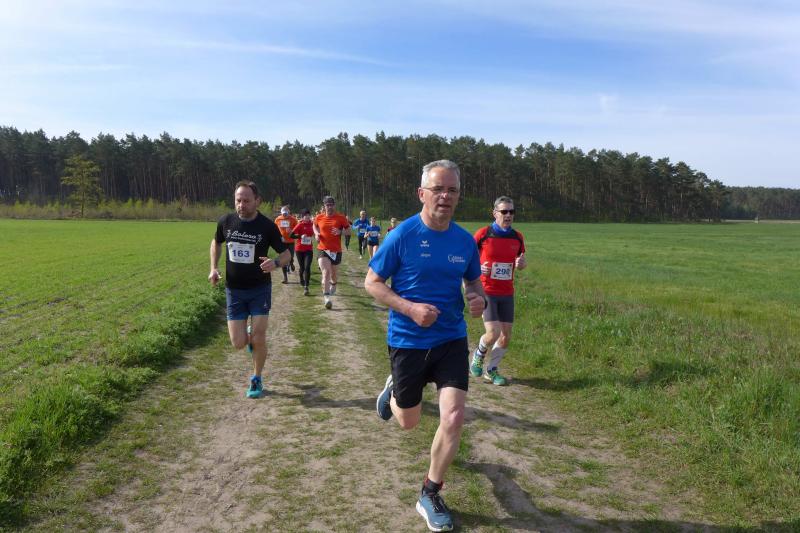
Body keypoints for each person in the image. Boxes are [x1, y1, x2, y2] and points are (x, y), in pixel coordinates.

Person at [365, 160, 486, 532]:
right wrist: (410, 308)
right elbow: (372, 282)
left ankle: (429, 492)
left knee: (454, 417)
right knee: (409, 422)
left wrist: (478, 298)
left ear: (458, 196)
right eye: (438, 189)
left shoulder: (464, 241)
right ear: (422, 194)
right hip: (409, 341)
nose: (445, 196)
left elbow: (473, 282)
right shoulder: (402, 235)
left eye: (452, 190)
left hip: (451, 338)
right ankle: (394, 392)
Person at [209, 181, 290, 399]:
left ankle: (256, 378)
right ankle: (248, 336)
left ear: (257, 201)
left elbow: (286, 254)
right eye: (238, 200)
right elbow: (216, 242)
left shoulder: (267, 226)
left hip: (259, 289)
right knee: (238, 343)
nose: (241, 205)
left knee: (259, 337)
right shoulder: (226, 222)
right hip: (234, 290)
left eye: (246, 201)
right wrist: (213, 268)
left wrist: (275, 263)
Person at [470, 196, 527, 386]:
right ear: (495, 213)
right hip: (486, 291)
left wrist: (521, 264)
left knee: (505, 336)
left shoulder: (517, 237)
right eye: (504, 211)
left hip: (507, 293)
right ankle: (478, 355)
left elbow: (520, 262)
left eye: (512, 211)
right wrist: (479, 268)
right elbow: (468, 258)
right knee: (493, 332)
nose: (508, 215)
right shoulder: (483, 234)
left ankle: (491, 370)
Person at [313, 195, 351, 309]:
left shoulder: (341, 218)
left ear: (334, 205)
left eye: (331, 205)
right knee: (326, 273)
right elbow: (314, 226)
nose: (329, 207)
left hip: (336, 250)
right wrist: (316, 233)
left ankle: (334, 284)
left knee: (334, 274)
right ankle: (326, 298)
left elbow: (349, 231)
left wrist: (340, 232)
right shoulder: (319, 217)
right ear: (324, 206)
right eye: (327, 205)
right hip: (323, 249)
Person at [290, 209, 315, 296]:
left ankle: (306, 287)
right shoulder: (300, 224)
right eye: (305, 215)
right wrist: (300, 236)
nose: (307, 217)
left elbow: (317, 230)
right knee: (302, 268)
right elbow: (291, 235)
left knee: (307, 267)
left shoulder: (312, 224)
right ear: (302, 217)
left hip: (309, 249)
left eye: (308, 215)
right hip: (299, 249)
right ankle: (301, 278)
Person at [274, 205, 298, 284]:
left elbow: (297, 229)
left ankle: (291, 263)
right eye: (283, 213)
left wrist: (292, 231)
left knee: (290, 257)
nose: (284, 215)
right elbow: (275, 229)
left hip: (290, 242)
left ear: (289, 212)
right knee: (283, 260)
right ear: (281, 213)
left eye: (286, 213)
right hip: (282, 242)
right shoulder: (278, 219)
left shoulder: (293, 219)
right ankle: (285, 278)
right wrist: (278, 237)